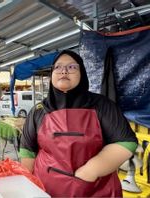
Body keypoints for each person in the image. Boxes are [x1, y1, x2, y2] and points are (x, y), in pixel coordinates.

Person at [19, 50, 137, 197]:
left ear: (82, 73)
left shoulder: (102, 105)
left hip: (95, 190)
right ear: (51, 75)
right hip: (46, 190)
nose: (64, 71)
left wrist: (93, 169)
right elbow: (27, 150)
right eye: (58, 67)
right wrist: (26, 186)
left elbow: (126, 142)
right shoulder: (38, 111)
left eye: (72, 67)